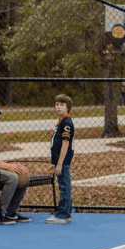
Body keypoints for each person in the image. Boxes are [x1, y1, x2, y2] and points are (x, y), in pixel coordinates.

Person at [45, 94, 75, 224]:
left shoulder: (67, 123)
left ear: (68, 107)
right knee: (64, 185)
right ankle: (66, 212)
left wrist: (60, 163)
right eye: (57, 104)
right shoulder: (61, 121)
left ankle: (62, 214)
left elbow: (65, 143)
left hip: (62, 161)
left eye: (62, 105)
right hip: (59, 160)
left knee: (64, 186)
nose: (58, 107)